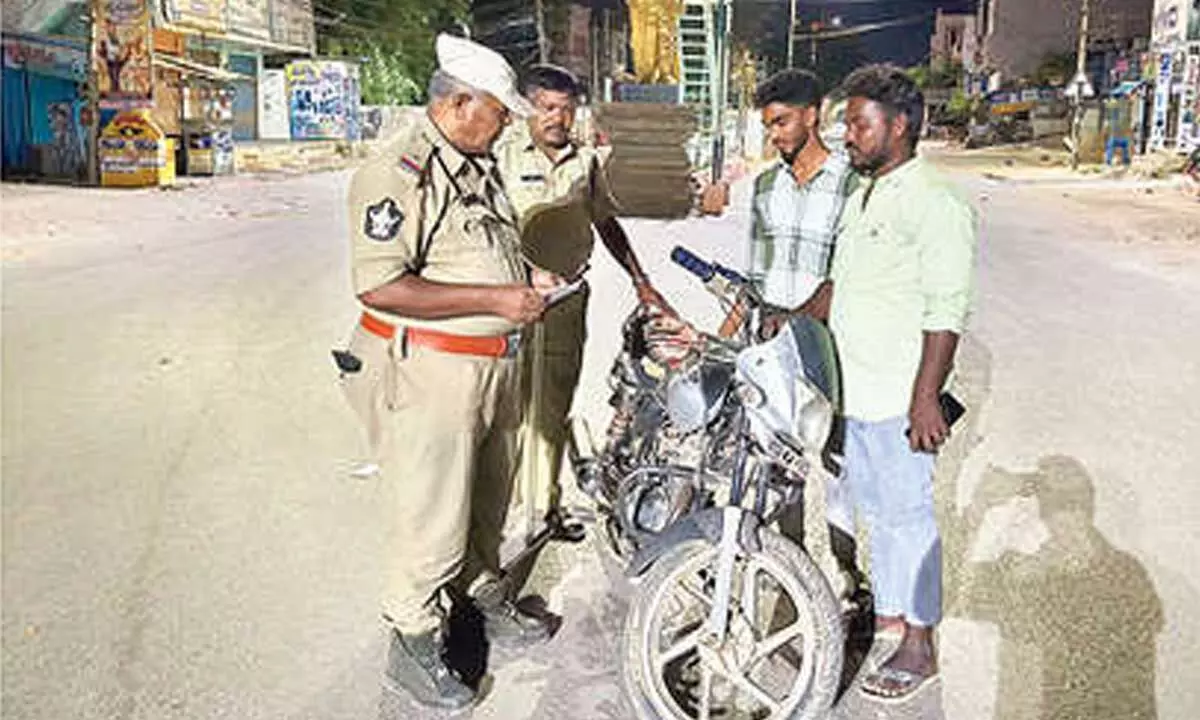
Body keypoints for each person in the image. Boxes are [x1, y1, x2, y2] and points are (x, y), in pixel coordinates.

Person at [340, 33, 562, 711]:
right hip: (429, 374)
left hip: (490, 371)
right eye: (500, 111)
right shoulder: (399, 172)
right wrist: (499, 300)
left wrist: (527, 276)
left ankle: (482, 599)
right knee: (431, 516)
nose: (508, 124)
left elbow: (480, 249)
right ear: (462, 103)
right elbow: (380, 288)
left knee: (486, 503)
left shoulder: (477, 162)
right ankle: (411, 645)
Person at [804, 64, 978, 701]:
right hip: (854, 396)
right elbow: (839, 287)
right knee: (876, 514)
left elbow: (945, 309)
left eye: (858, 123)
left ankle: (919, 644)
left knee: (908, 520)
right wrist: (790, 319)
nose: (846, 134)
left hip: (898, 399)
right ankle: (892, 617)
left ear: (898, 126)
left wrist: (926, 397)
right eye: (847, 122)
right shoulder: (864, 194)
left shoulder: (935, 201)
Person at [495, 63, 671, 535]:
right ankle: (502, 512)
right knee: (507, 406)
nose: (559, 118)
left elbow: (605, 222)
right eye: (548, 108)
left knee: (553, 404)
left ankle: (546, 509)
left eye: (567, 110)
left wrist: (641, 279)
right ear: (528, 108)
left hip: (567, 302)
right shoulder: (501, 156)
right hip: (509, 303)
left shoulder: (585, 162)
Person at [746, 68, 866, 608]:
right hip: (775, 347)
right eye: (768, 125)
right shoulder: (767, 187)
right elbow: (754, 277)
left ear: (813, 115)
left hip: (830, 348)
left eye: (782, 121)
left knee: (836, 465)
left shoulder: (851, 182)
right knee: (779, 466)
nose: (774, 134)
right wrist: (728, 339)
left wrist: (804, 320)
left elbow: (853, 272)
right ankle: (791, 570)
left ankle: (846, 577)